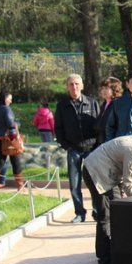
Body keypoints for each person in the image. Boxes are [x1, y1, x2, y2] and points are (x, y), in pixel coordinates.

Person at [82, 133, 132, 264]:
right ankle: (105, 260)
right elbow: (129, 185)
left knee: (115, 215)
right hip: (97, 171)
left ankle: (113, 254)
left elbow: (125, 177)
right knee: (107, 216)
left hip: (105, 170)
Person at [54, 74, 100, 223]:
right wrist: (66, 145)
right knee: (74, 184)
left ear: (82, 85)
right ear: (67, 87)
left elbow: (99, 126)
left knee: (94, 182)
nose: (74, 87)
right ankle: (80, 213)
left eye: (77, 84)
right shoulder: (62, 106)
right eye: (71, 84)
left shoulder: (92, 103)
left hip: (91, 149)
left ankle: (97, 210)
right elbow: (58, 128)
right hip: (73, 149)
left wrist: (97, 145)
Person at [0, 91, 25, 190]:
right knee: (15, 162)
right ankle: (20, 185)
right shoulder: (6, 109)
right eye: (10, 98)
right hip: (10, 139)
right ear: (4, 98)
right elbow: (10, 124)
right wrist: (17, 123)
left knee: (0, 161)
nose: (11, 101)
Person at [94, 76, 123, 147]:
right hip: (102, 143)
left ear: (115, 89)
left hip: (113, 145)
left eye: (106, 88)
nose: (103, 91)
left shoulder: (118, 104)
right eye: (102, 88)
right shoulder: (104, 104)